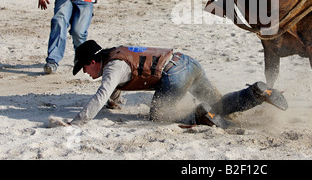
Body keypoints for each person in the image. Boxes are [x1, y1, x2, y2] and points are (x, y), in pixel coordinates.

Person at [68, 40, 288, 128]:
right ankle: (256, 93)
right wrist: (114, 104)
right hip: (188, 63)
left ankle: (198, 116)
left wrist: (78, 121)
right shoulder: (117, 55)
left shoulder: (112, 68)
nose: (85, 73)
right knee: (220, 105)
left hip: (173, 75)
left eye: (84, 68)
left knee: (158, 116)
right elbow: (113, 92)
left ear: (93, 61)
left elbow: (102, 93)